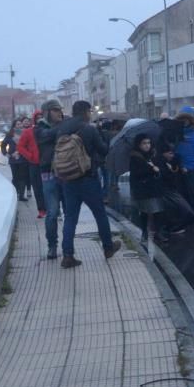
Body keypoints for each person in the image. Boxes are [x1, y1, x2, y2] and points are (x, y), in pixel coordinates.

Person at [46, 100, 122, 268]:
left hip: (68, 179)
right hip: (88, 179)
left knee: (70, 218)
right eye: (90, 111)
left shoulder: (62, 128)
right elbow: (104, 150)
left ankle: (67, 255)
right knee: (100, 214)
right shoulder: (89, 129)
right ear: (86, 111)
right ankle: (108, 248)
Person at [34, 100, 65, 258]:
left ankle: (68, 249)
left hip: (67, 174)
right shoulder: (39, 129)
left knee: (70, 213)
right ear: (47, 111)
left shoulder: (65, 125)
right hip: (49, 176)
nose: (59, 112)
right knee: (52, 213)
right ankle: (52, 246)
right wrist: (64, 127)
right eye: (55, 110)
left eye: (60, 109)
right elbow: (47, 137)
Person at [129, 134, 167, 246]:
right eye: (144, 143)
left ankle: (158, 232)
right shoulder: (135, 157)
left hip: (155, 187)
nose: (147, 146)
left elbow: (161, 168)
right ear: (139, 144)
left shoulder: (153, 155)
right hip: (143, 189)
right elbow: (136, 173)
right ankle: (144, 232)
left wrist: (157, 169)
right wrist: (151, 168)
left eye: (148, 143)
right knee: (144, 211)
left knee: (158, 210)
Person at [17, 111, 47, 218]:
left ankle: (53, 209)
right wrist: (30, 156)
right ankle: (42, 209)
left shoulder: (49, 130)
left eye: (41, 117)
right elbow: (20, 147)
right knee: (38, 188)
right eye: (38, 117)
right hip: (34, 164)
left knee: (50, 187)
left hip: (48, 164)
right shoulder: (28, 132)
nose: (40, 119)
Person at [1, 117, 30, 202]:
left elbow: (28, 145)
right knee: (15, 177)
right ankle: (15, 193)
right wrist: (7, 154)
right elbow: (3, 145)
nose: (20, 125)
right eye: (17, 124)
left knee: (22, 177)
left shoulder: (25, 133)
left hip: (23, 158)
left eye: (20, 124)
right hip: (13, 159)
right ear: (14, 126)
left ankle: (21, 195)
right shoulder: (10, 135)